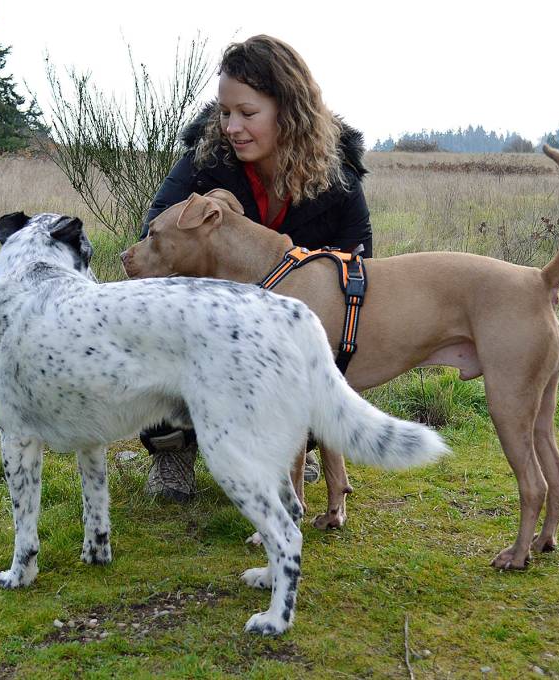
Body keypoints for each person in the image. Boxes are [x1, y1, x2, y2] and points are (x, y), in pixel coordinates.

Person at [138, 35, 374, 502]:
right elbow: (157, 235)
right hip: (215, 315)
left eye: (248, 113)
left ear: (289, 110)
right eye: (225, 113)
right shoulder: (205, 163)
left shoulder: (339, 175)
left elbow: (355, 270)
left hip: (290, 327)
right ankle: (172, 450)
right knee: (164, 320)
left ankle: (295, 445)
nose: (232, 126)